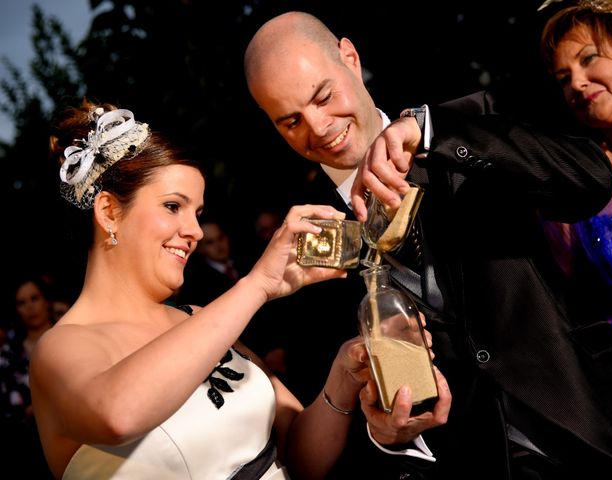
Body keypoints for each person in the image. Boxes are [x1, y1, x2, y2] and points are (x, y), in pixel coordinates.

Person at [245, 10, 612, 478]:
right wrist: (390, 438)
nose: (319, 127)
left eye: (324, 96)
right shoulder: (299, 239)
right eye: (290, 121)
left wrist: (430, 133)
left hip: (596, 430)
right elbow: (325, 411)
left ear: (350, 58)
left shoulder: (466, 124)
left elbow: (588, 180)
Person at [30, 99, 450, 480]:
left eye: (197, 213)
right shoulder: (59, 350)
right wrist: (258, 285)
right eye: (173, 206)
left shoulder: (200, 318)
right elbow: (117, 414)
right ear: (108, 212)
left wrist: (342, 378)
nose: (193, 231)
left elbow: (300, 457)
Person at [538, 0, 612, 347]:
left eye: (588, 58)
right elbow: (569, 312)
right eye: (563, 79)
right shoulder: (574, 186)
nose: (577, 84)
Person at [1, 274, 56, 479]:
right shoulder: (8, 354)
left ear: (46, 300)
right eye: (22, 303)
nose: (30, 307)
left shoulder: (69, 335)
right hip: (27, 446)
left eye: (35, 298)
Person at [178, 219, 243, 306]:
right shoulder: (198, 284)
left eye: (220, 238)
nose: (218, 245)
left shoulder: (247, 262)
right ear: (200, 249)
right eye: (210, 242)